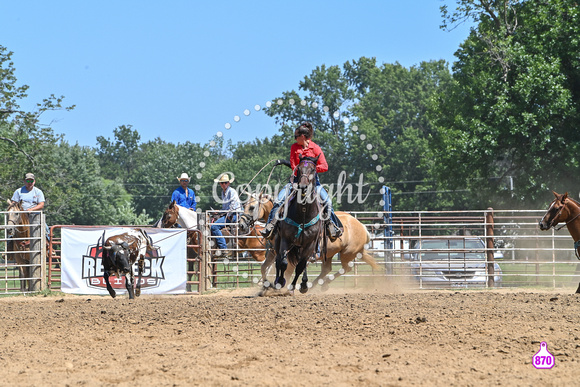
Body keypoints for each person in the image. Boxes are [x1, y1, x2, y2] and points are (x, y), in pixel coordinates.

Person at [261, 122, 342, 241]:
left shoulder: (315, 148)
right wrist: (299, 172)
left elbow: (324, 166)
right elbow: (294, 165)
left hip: (313, 183)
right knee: (279, 200)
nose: (294, 139)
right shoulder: (294, 147)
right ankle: (270, 226)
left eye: (296, 136)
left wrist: (311, 171)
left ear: (303, 136)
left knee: (328, 202)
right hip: (295, 181)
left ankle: (332, 226)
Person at [11, 172, 49, 240]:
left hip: (35, 215)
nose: (30, 182)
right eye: (28, 180)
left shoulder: (38, 192)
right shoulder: (18, 191)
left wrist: (31, 209)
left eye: (31, 180)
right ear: (25, 181)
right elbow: (14, 203)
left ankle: (48, 244)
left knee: (45, 228)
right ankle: (8, 243)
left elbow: (41, 204)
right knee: (11, 227)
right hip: (21, 216)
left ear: (34, 181)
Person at [210, 173, 241, 257]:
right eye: (222, 183)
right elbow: (225, 207)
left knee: (214, 227)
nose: (224, 184)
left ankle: (224, 248)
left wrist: (226, 213)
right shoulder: (223, 192)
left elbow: (233, 206)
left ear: (228, 183)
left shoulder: (232, 191)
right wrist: (219, 211)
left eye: (225, 182)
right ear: (220, 184)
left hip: (235, 214)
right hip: (228, 214)